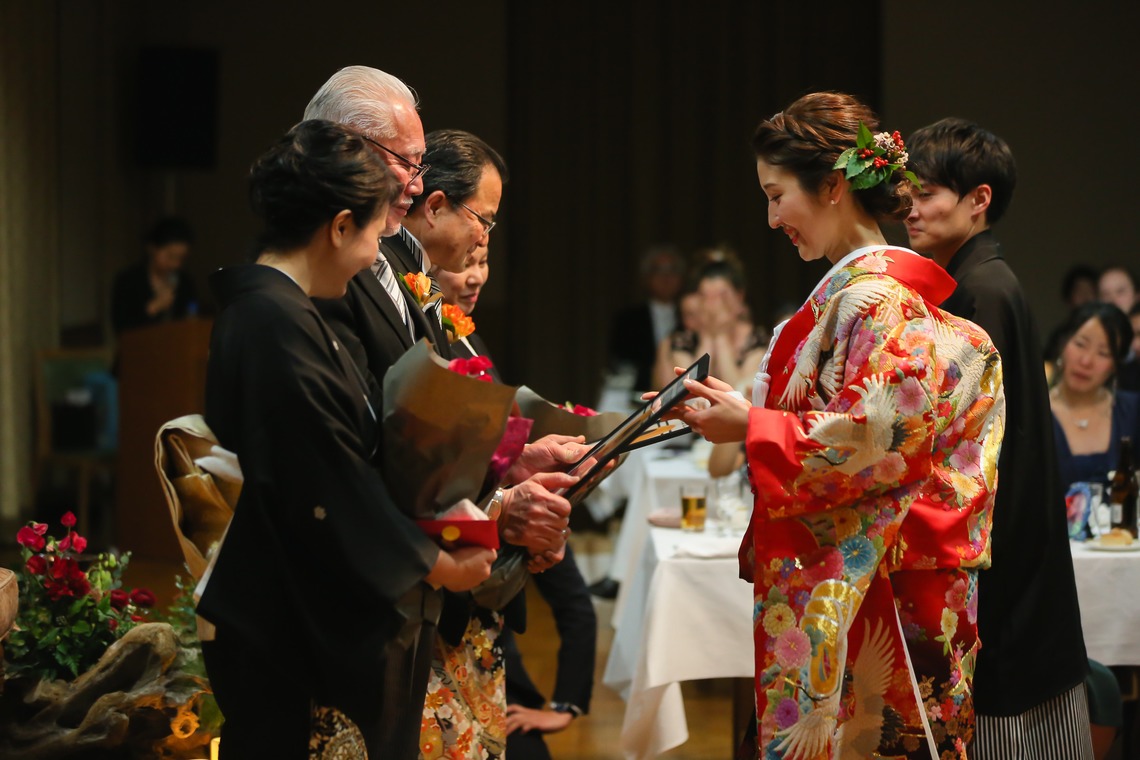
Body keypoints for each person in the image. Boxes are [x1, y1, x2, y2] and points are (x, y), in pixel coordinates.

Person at [671, 91, 1005, 759]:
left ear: (831, 187)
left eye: (777, 196)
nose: (771, 218)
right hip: (868, 570)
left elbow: (879, 439)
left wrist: (753, 428)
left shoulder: (878, 299)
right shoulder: (858, 295)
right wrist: (746, 415)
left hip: (885, 582)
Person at [197, 119, 497, 759]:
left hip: (298, 601)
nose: (372, 258)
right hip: (287, 621)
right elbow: (328, 479)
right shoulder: (272, 322)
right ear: (338, 227)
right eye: (370, 234)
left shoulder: (283, 312)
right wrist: (438, 563)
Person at [906, 116, 1094, 758]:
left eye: (928, 193)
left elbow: (972, 450)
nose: (911, 208)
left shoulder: (979, 290)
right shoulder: (983, 280)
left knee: (1005, 725)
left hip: (1001, 546)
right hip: (1015, 540)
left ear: (978, 199)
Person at [434, 230, 598, 760]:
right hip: (444, 582)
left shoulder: (470, 342)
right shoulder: (425, 341)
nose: (476, 276)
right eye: (465, 261)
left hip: (490, 607)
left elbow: (500, 458)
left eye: (484, 260)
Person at [1050, 301, 1140, 494]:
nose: (1086, 361)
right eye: (1080, 344)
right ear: (1063, 343)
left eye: (1103, 353)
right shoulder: (1034, 414)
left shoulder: (1133, 412)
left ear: (1115, 365)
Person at [653, 247, 768, 392]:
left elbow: (740, 394)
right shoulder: (683, 340)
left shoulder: (757, 340)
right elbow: (687, 390)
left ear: (739, 297)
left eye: (721, 296)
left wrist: (721, 337)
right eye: (705, 296)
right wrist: (707, 337)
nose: (713, 305)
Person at [607, 245, 686, 392]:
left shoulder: (689, 317)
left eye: (672, 270)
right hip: (638, 395)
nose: (666, 277)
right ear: (646, 277)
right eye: (659, 270)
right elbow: (622, 364)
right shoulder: (628, 319)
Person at [110, 215, 199, 335]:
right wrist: (154, 307)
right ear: (152, 248)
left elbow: (191, 318)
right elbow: (121, 327)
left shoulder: (185, 281)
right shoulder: (128, 280)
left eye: (180, 258)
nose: (175, 264)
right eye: (170, 256)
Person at [1043, 264, 1101, 369]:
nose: (1085, 297)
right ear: (1069, 296)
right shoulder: (1060, 334)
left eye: (1090, 291)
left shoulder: (1104, 333)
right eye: (1080, 291)